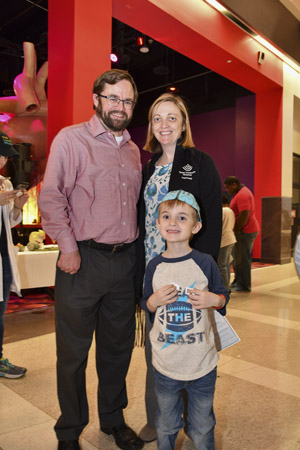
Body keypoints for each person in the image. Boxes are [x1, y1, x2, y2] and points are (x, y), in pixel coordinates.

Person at [38, 69, 144, 450]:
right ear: (96, 99)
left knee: (116, 351)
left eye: (127, 100)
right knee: (72, 355)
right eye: (113, 98)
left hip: (123, 264)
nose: (120, 106)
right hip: (80, 261)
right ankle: (69, 431)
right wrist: (67, 246)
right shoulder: (71, 139)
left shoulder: (133, 151)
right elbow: (51, 197)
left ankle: (113, 420)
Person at [137, 93, 222, 442]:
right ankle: (159, 417)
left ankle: (193, 417)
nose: (164, 125)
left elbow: (211, 221)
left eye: (172, 118)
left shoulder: (199, 162)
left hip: (189, 271)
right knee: (157, 341)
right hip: (152, 268)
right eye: (157, 118)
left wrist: (202, 270)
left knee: (188, 339)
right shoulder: (149, 166)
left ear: (184, 123)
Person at [141, 190, 229, 450]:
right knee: (166, 425)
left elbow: (223, 295)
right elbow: (146, 303)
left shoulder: (205, 262)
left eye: (182, 218)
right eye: (166, 216)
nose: (172, 223)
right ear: (157, 223)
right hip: (166, 364)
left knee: (202, 426)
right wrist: (153, 302)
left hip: (202, 362)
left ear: (196, 226)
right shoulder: (154, 266)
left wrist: (213, 300)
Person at [0, 131, 29, 378]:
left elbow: (8, 223)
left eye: (4, 156)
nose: (2, 160)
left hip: (4, 257)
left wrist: (17, 207)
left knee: (0, 310)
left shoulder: (5, 183)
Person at [224, 176, 259, 292]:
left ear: (235, 184)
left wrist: (237, 230)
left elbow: (245, 214)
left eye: (228, 187)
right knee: (238, 258)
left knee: (242, 259)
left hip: (245, 231)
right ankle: (238, 281)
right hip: (244, 230)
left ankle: (243, 285)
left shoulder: (242, 195)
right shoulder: (240, 193)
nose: (227, 190)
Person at [217, 193, 236, 291]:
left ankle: (224, 288)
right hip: (231, 239)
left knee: (222, 265)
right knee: (227, 264)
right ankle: (227, 286)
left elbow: (218, 227)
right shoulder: (230, 211)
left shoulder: (222, 211)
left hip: (224, 241)